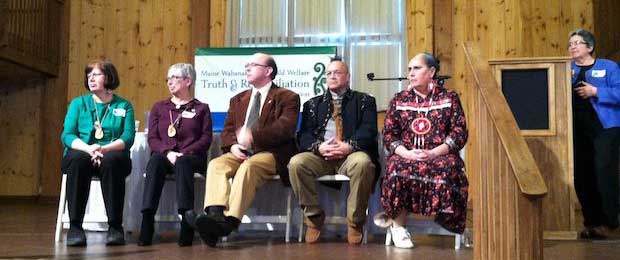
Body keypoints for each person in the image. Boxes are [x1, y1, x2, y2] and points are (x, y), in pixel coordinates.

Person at [185, 53, 300, 247]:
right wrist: (232, 146)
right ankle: (215, 216)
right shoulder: (238, 99)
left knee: (250, 167)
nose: (247, 68)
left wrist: (253, 137)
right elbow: (228, 130)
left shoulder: (287, 97)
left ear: (268, 71)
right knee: (216, 164)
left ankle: (229, 222)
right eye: (247, 65)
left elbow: (285, 129)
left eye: (253, 65)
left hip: (271, 153)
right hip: (240, 152)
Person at [380, 53, 468, 248]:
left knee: (449, 168)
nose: (411, 73)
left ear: (432, 72)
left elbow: (459, 132)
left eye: (416, 68)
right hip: (406, 154)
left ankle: (446, 222)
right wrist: (406, 153)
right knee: (396, 168)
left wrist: (435, 153)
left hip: (440, 154)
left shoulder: (449, 97)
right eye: (409, 69)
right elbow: (389, 134)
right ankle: (398, 227)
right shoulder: (399, 99)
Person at [288, 58, 378, 245]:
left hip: (350, 155)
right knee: (296, 163)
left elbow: (368, 131)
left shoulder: (365, 101)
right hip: (321, 156)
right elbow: (304, 135)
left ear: (348, 77)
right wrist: (318, 147)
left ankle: (355, 222)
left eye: (337, 72)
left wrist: (348, 146)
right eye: (329, 73)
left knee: (363, 163)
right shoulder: (312, 104)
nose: (332, 76)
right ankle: (313, 217)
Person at [60, 59, 135, 246]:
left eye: (96, 74)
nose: (90, 78)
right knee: (77, 159)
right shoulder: (79, 104)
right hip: (82, 152)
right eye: (89, 75)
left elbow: (128, 138)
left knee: (112, 161)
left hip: (111, 155)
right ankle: (75, 227)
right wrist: (89, 148)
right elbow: (67, 135)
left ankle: (115, 227)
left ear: (108, 77)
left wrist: (104, 148)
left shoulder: (124, 106)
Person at [138, 63, 212, 247]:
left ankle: (186, 221)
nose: (169, 82)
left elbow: (206, 139)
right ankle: (147, 219)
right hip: (165, 155)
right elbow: (153, 138)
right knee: (155, 161)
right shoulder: (159, 107)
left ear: (188, 81)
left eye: (174, 78)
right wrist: (167, 152)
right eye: (168, 79)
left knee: (184, 163)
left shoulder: (201, 108)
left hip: (191, 157)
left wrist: (183, 153)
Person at [568, 29, 620, 239]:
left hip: (605, 129)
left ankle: (610, 223)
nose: (572, 46)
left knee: (603, 174)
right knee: (582, 177)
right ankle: (592, 223)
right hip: (578, 131)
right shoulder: (566, 69)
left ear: (589, 47)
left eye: (577, 43)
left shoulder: (608, 67)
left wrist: (596, 92)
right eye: (570, 43)